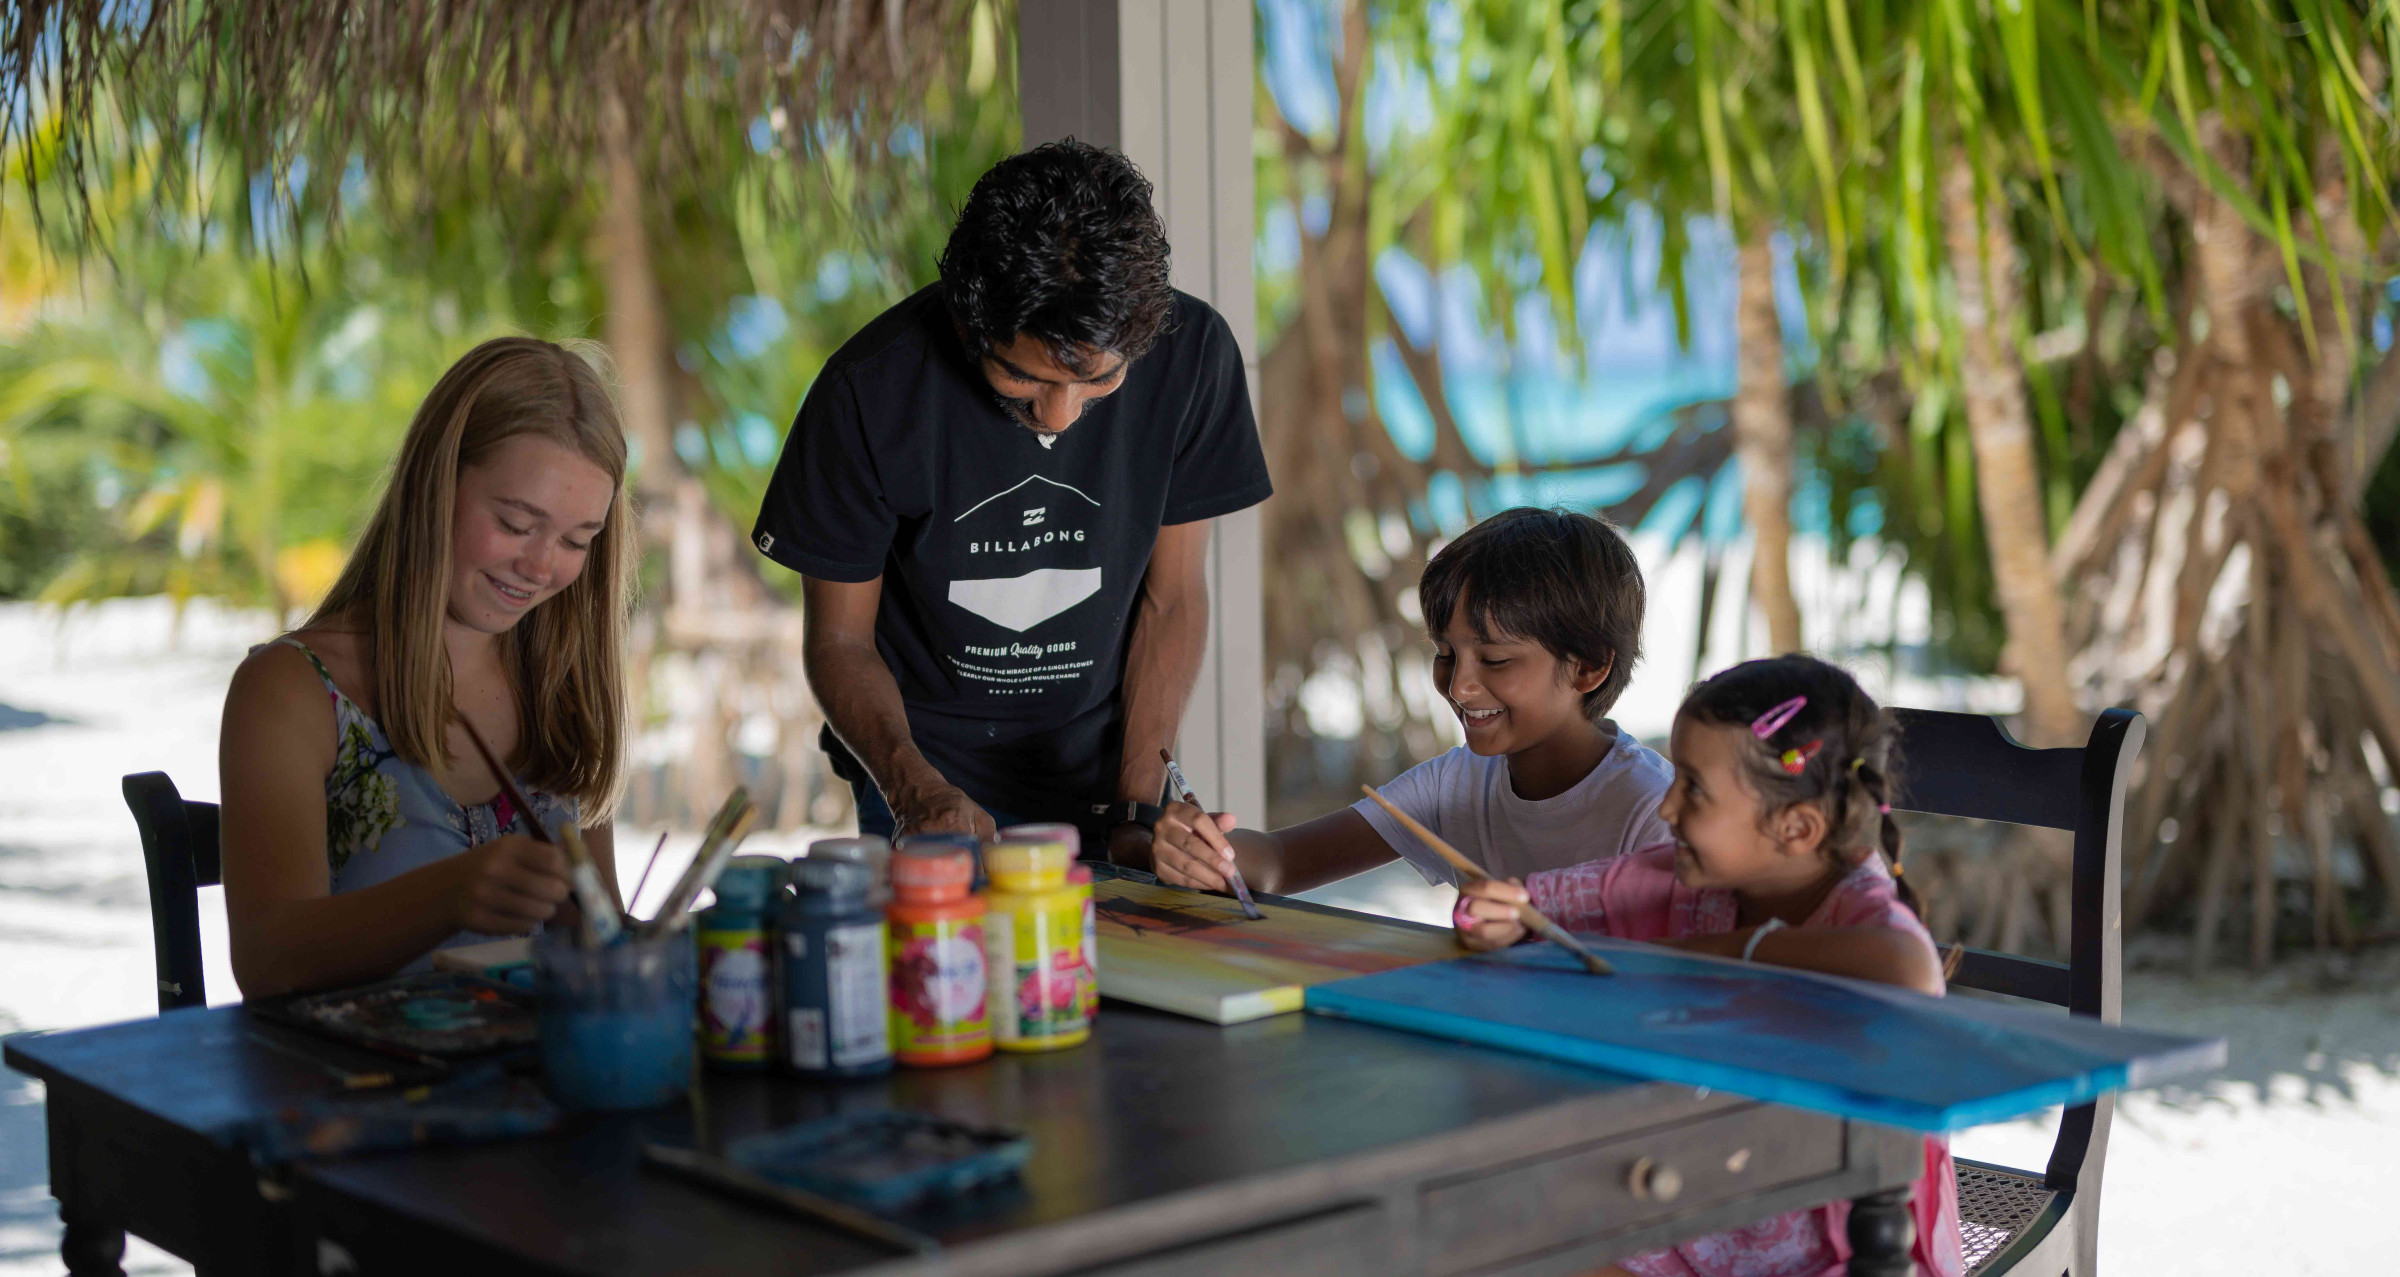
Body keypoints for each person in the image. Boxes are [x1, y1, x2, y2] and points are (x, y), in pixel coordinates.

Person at [751, 139, 1271, 858]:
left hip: (1100, 765)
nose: (1058, 417)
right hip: (921, 770)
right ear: (970, 326)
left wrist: (1134, 807)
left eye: (1098, 382)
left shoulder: (1194, 359)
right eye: (1022, 380)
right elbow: (840, 641)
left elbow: (1172, 597)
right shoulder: (869, 392)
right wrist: (915, 791)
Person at [1454, 655, 1965, 1277]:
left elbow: (1909, 964)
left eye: (1693, 787)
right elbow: (1537, 906)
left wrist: (1712, 955)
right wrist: (1501, 915)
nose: (1667, 809)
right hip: (1705, 1191)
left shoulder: (1860, 910)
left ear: (1796, 828)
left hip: (1836, 1231)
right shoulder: (1683, 875)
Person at [219, 337, 632, 996]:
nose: (541, 565)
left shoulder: (561, 687)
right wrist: (451, 896)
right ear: (435, 485)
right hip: (345, 1087)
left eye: (576, 540)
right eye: (516, 521)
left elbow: (597, 933)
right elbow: (267, 959)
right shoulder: (293, 690)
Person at [1147, 507, 1671, 896]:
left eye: (1495, 661)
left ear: (1588, 667)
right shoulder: (1456, 784)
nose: (1459, 686)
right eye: (1445, 654)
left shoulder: (1652, 810)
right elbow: (1283, 862)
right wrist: (1204, 850)